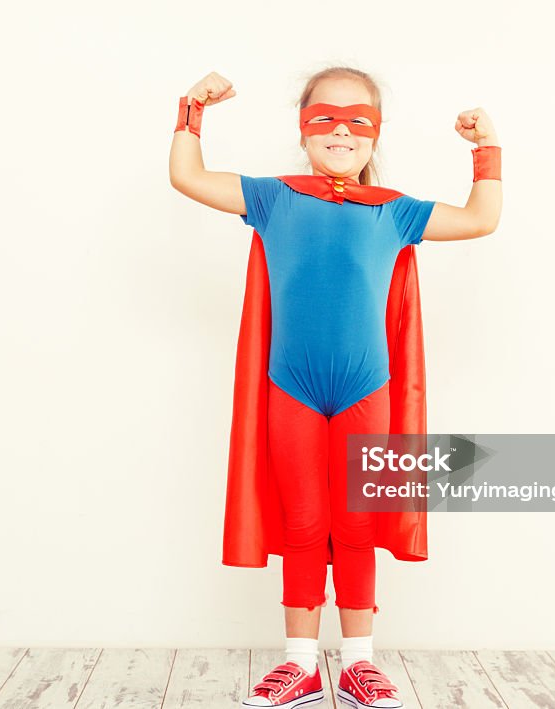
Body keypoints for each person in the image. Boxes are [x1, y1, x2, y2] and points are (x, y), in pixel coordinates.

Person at [169, 66, 502, 708]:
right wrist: (192, 109)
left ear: (376, 136)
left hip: (365, 389)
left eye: (359, 120)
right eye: (325, 118)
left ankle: (357, 664)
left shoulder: (395, 211)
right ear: (303, 130)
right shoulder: (272, 198)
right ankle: (299, 665)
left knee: (353, 525)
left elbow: (481, 219)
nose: (342, 130)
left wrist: (484, 149)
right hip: (289, 386)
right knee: (303, 522)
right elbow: (187, 177)